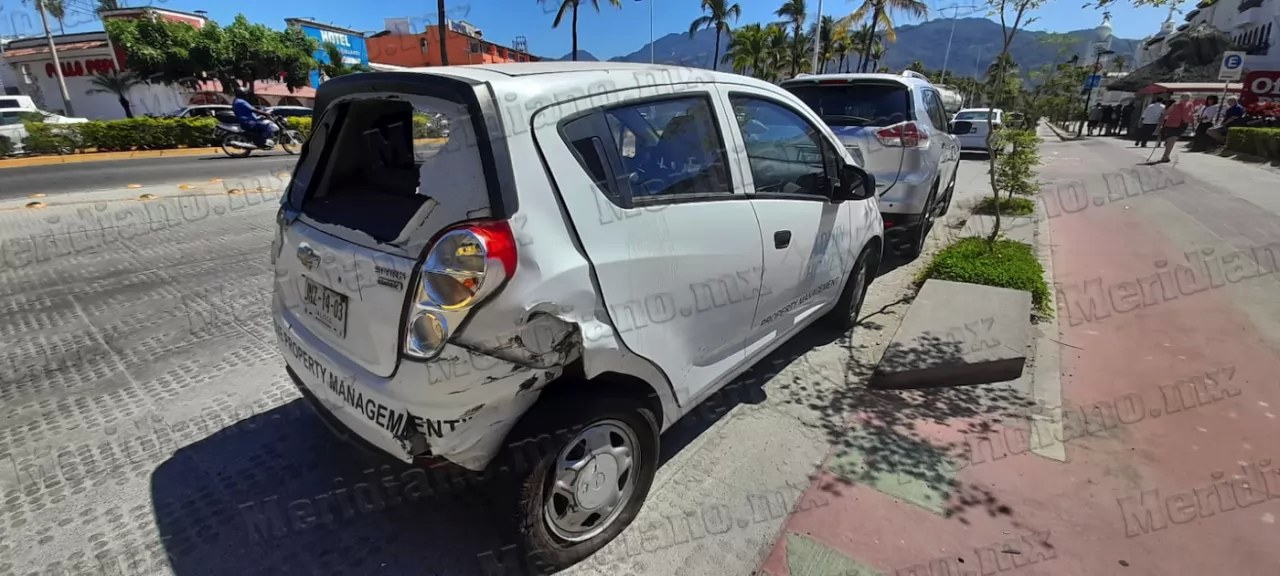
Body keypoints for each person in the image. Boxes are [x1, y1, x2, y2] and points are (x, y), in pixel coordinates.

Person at [1157, 93, 1196, 163]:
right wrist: (1160, 125)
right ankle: (1165, 156)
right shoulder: (1175, 105)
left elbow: (1191, 115)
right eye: (1184, 97)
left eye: (1188, 98)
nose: (1186, 99)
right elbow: (1165, 114)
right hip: (1171, 124)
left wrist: (1193, 126)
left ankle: (1167, 147)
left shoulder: (1190, 105)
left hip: (1182, 125)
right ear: (1181, 98)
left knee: (1172, 139)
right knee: (1172, 139)